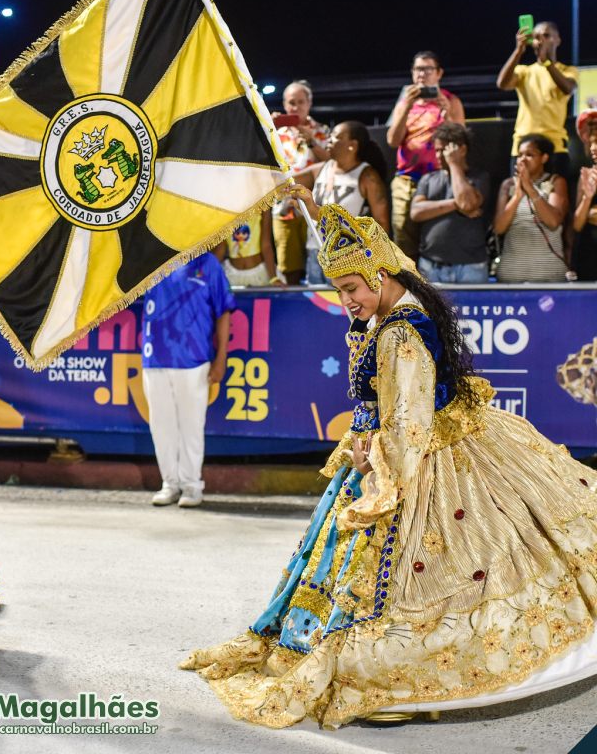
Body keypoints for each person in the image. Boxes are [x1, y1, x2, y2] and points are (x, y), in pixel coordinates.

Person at [180, 187, 597, 730]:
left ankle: (397, 682)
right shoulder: (397, 300)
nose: (346, 300)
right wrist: (313, 205)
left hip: (418, 462)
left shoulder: (401, 334)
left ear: (379, 275)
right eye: (338, 290)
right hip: (411, 445)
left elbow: (408, 422)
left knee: (409, 582)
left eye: (351, 288)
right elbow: (364, 250)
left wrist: (378, 470)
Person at [142, 252, 235, 508]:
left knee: (191, 426)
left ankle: (192, 486)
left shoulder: (207, 264)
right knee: (161, 426)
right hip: (155, 357)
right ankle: (169, 484)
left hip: (193, 359)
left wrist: (221, 358)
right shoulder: (151, 259)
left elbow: (223, 311)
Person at [386, 51, 465, 260]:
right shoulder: (404, 103)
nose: (422, 74)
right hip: (407, 179)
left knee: (438, 236)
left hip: (439, 179)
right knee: (404, 238)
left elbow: (461, 142)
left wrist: (447, 113)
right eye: (418, 69)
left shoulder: (451, 100)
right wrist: (406, 107)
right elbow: (393, 141)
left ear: (439, 73)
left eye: (427, 69)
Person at [295, 121, 389, 285]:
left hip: (348, 256)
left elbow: (382, 224)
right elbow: (285, 182)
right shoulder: (321, 168)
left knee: (344, 309)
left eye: (336, 137)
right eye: (330, 136)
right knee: (318, 307)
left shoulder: (367, 176)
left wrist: (372, 259)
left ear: (352, 145)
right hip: (315, 251)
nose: (329, 139)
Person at [410, 122, 490, 283]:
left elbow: (467, 205)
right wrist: (456, 203)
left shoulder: (479, 177)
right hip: (431, 265)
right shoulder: (428, 179)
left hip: (470, 267)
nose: (439, 155)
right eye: (437, 150)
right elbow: (416, 212)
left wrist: (454, 164)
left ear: (462, 149)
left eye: (444, 150)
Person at [496, 21, 578, 176]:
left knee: (556, 196)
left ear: (558, 40)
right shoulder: (524, 71)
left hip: (555, 146)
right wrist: (518, 51)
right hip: (523, 148)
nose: (541, 40)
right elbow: (502, 83)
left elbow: (568, 88)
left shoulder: (568, 71)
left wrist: (546, 61)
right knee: (521, 197)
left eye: (546, 36)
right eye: (536, 37)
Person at [271, 81, 331, 284]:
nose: (295, 107)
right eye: (291, 102)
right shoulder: (275, 133)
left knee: (320, 263)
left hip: (316, 206)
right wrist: (266, 128)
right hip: (285, 208)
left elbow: (333, 165)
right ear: (285, 105)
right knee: (289, 267)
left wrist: (312, 140)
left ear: (309, 103)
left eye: (300, 102)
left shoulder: (322, 131)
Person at [494, 134, 570, 283]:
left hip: (549, 276)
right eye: (520, 154)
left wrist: (530, 188)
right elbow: (499, 228)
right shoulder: (508, 185)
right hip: (512, 275)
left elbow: (553, 221)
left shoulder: (556, 182)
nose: (522, 159)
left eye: (530, 155)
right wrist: (516, 197)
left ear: (544, 158)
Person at [215, 209, 283, 287]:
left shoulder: (262, 204)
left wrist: (273, 278)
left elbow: (266, 245)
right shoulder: (222, 207)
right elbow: (221, 249)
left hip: (260, 276)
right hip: (232, 277)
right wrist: (206, 274)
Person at [573, 110, 597, 281]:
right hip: (588, 257)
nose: (593, 147)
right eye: (592, 142)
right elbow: (577, 225)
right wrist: (587, 198)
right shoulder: (586, 176)